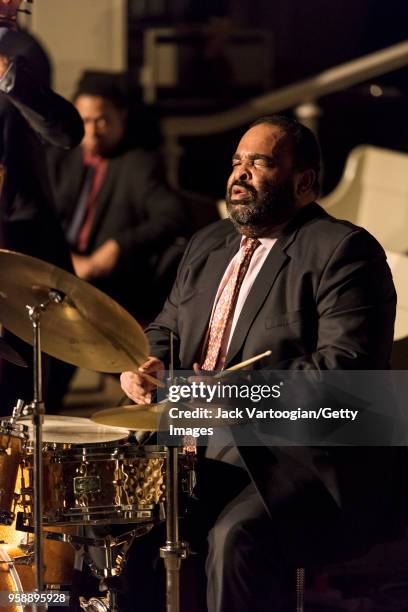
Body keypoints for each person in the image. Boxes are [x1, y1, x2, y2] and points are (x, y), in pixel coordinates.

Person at [120, 115, 406, 611]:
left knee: (236, 538)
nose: (241, 173)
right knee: (120, 525)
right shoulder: (208, 243)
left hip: (284, 454)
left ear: (304, 182)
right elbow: (167, 326)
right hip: (188, 438)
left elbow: (345, 374)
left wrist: (227, 389)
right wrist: (147, 361)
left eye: (261, 162)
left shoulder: (344, 251)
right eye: (237, 161)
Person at [47, 75, 187, 322]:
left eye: (101, 121)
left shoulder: (138, 163)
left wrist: (118, 245)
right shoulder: (58, 157)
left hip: (111, 291)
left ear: (121, 116)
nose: (91, 131)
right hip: (55, 275)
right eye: (85, 121)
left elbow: (173, 215)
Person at [0, 9, 84, 415]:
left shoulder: (17, 49)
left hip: (18, 245)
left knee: (21, 400)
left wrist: (7, 75)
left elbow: (64, 130)